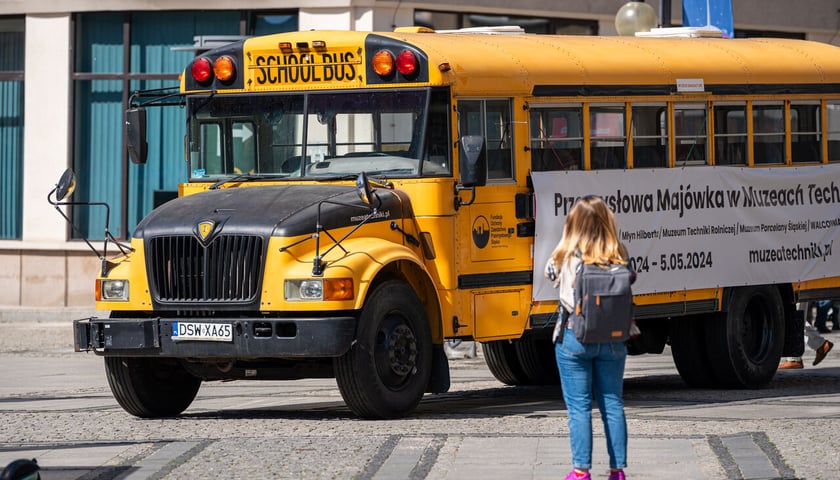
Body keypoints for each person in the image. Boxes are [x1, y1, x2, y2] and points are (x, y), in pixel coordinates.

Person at [545, 195, 629, 480]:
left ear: (574, 224)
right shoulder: (619, 253)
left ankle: (581, 472)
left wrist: (565, 241)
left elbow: (549, 274)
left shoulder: (567, 255)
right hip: (614, 338)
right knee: (613, 404)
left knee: (579, 408)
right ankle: (617, 472)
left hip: (575, 338)